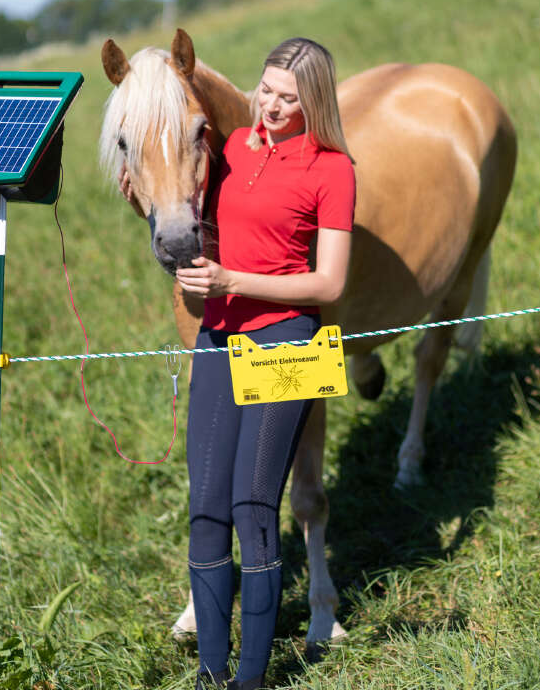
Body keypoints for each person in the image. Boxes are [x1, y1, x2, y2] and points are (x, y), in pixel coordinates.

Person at [174, 37, 356, 690]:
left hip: (289, 344)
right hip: (218, 340)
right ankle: (211, 672)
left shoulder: (333, 168)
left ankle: (252, 680)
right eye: (268, 91)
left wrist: (234, 282)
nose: (273, 107)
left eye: (289, 98)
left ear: (315, 102)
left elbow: (329, 284)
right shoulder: (230, 150)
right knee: (206, 511)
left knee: (255, 510)